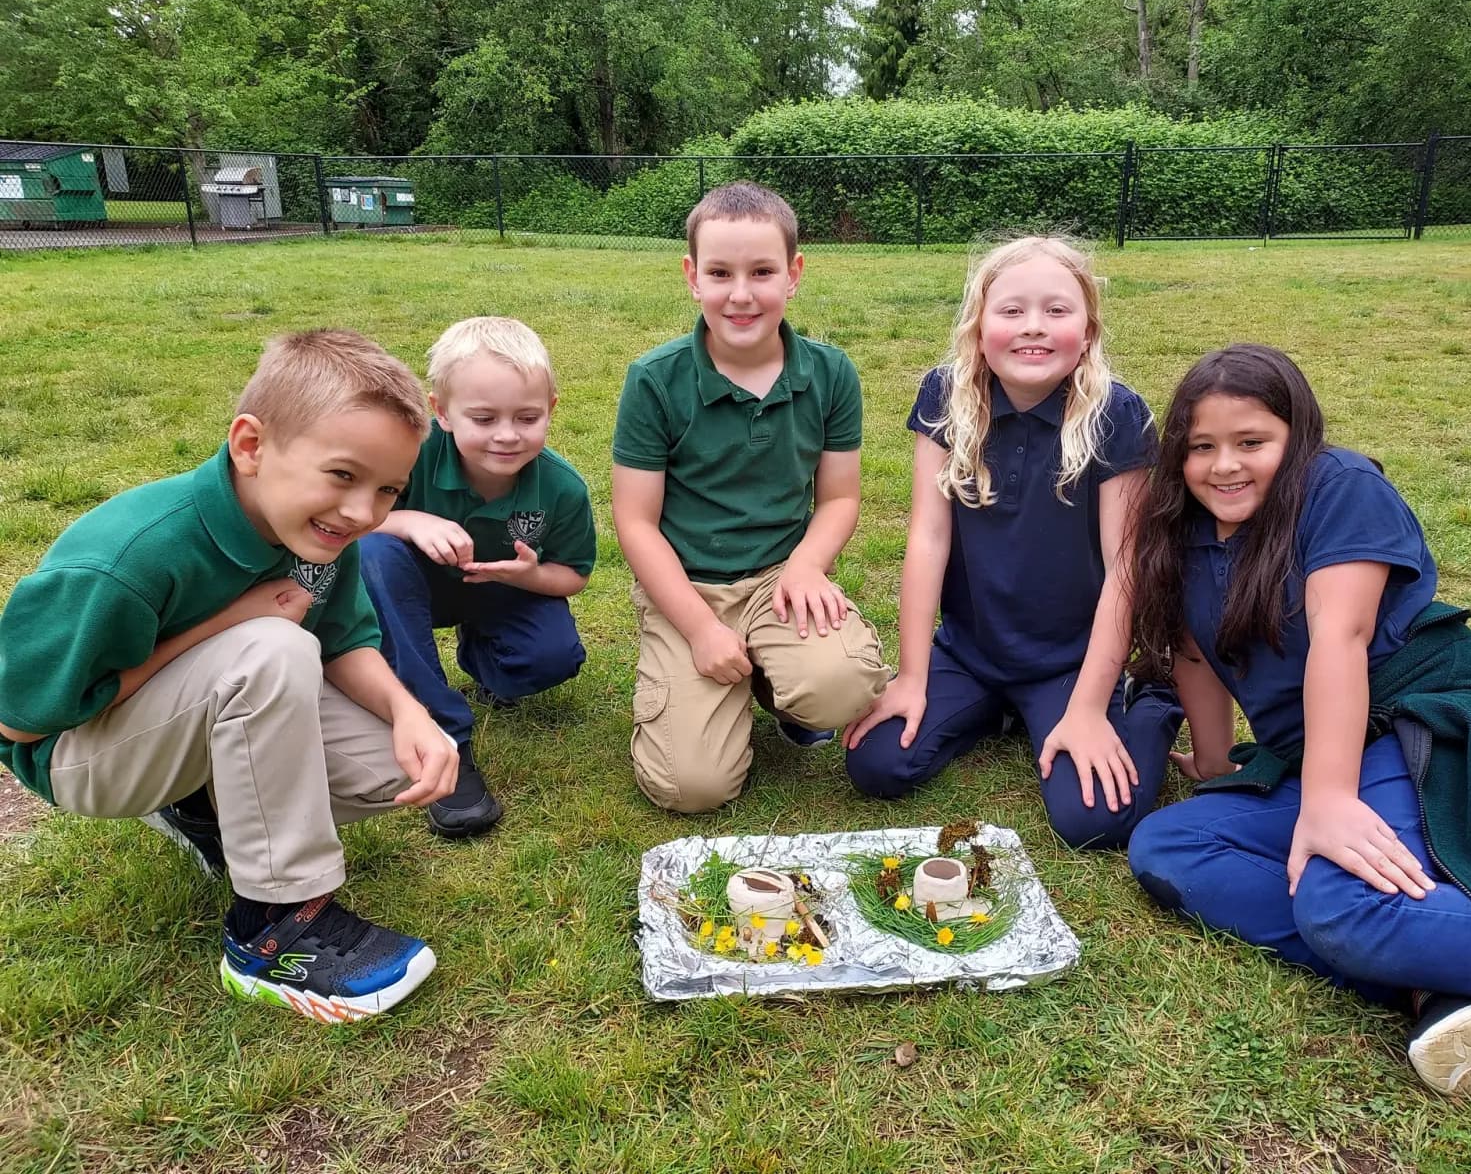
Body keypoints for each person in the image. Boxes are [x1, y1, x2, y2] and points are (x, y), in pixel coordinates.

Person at [1124, 342, 1471, 1095]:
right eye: (1201, 447)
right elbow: (1191, 657)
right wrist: (1215, 764)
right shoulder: (1179, 527)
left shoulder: (1340, 487)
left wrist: (1329, 802)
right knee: (1170, 846)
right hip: (1313, 746)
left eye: (1252, 442)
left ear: (1296, 434)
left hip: (1408, 724)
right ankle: (1447, 987)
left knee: (1339, 905)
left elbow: (1339, 641)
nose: (1225, 466)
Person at [0, 330, 459, 1021]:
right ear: (250, 446)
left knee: (392, 767)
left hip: (183, 712)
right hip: (77, 756)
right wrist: (230, 622)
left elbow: (343, 643)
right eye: (342, 475)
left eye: (388, 489)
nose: (364, 512)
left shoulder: (321, 535)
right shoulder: (128, 557)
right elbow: (19, 718)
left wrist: (410, 713)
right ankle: (271, 931)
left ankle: (201, 804)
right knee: (273, 650)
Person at [842, 235, 1182, 847]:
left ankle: (1150, 701)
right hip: (971, 652)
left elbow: (1125, 568)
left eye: (1057, 311)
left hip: (1070, 663)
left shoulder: (1116, 414)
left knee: (1092, 821)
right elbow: (927, 539)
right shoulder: (947, 397)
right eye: (1011, 311)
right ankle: (996, 710)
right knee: (878, 764)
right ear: (978, 326)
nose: (1033, 328)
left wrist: (1085, 708)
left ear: (1088, 329)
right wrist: (912, 676)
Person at [611, 181, 890, 813]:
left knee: (843, 687)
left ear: (793, 274)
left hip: (780, 578)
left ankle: (777, 678)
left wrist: (805, 565)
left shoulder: (831, 373)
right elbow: (634, 522)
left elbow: (840, 499)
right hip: (688, 584)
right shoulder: (655, 380)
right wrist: (701, 628)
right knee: (690, 789)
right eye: (720, 273)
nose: (741, 294)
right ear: (692, 276)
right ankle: (706, 674)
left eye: (762, 271)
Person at [360, 317, 593, 838]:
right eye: (483, 418)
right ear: (440, 412)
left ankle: (484, 661)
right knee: (374, 550)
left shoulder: (563, 489)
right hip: (407, 589)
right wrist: (408, 520)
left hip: (500, 590)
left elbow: (573, 575)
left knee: (552, 658)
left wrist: (529, 575)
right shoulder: (409, 458)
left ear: (551, 409)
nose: (507, 436)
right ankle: (442, 739)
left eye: (527, 417)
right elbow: (346, 520)